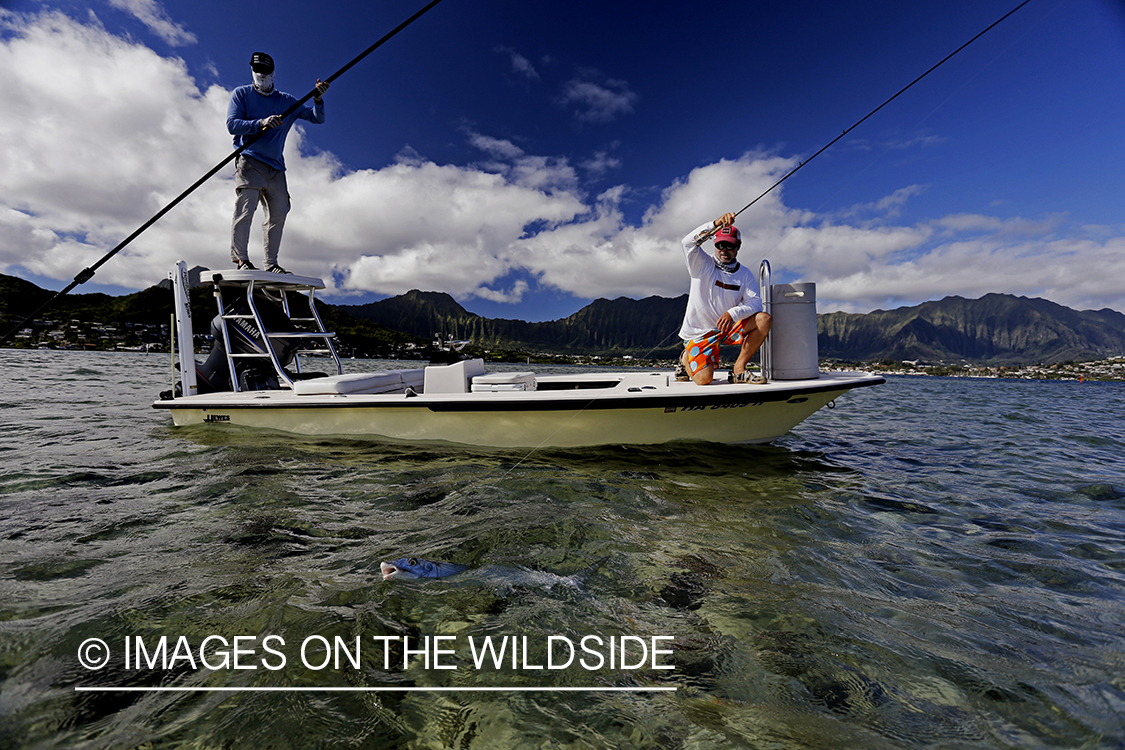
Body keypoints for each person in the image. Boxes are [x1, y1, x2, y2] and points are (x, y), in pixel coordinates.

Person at [227, 52, 329, 273]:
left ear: (273, 74)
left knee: (279, 213)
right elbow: (232, 125)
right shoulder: (241, 94)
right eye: (257, 72)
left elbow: (317, 118)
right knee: (245, 209)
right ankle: (241, 260)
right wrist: (261, 123)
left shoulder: (286, 101)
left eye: (265, 73)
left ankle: (271, 264)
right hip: (250, 161)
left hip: (276, 168)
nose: (260, 76)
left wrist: (318, 99)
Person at [676, 212, 772, 385]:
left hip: (727, 328)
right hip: (700, 333)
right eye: (720, 244)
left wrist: (732, 314)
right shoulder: (701, 264)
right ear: (714, 245)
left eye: (729, 245)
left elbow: (756, 303)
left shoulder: (745, 274)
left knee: (764, 320)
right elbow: (687, 242)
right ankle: (685, 358)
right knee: (704, 380)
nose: (724, 250)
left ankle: (738, 370)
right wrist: (715, 224)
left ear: (738, 247)